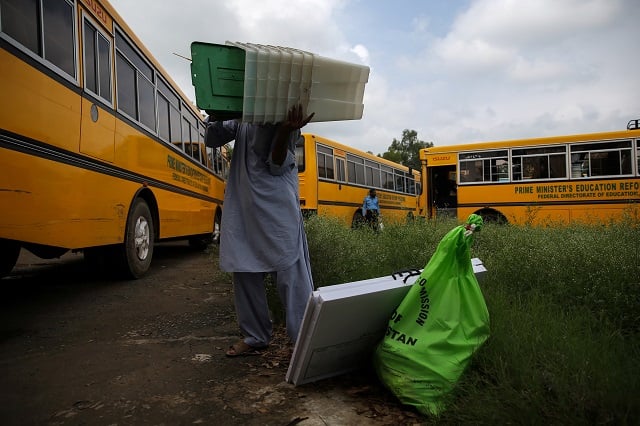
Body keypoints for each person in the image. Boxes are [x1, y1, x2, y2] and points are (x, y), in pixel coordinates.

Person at [204, 104, 315, 357]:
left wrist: (286, 129)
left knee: (290, 270)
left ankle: (304, 340)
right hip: (244, 203)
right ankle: (255, 336)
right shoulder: (243, 116)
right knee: (244, 267)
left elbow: (277, 162)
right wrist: (218, 108)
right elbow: (212, 138)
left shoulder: (284, 109)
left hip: (276, 205)